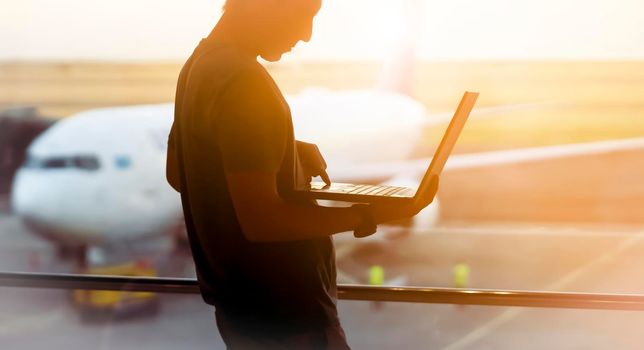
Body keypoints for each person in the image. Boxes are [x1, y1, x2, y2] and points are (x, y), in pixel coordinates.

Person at [166, 0, 439, 348]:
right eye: (303, 17)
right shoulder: (245, 82)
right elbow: (263, 221)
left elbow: (179, 172)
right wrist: (371, 213)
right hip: (287, 310)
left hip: (239, 307)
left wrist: (282, 148)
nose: (306, 36)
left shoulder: (199, 66)